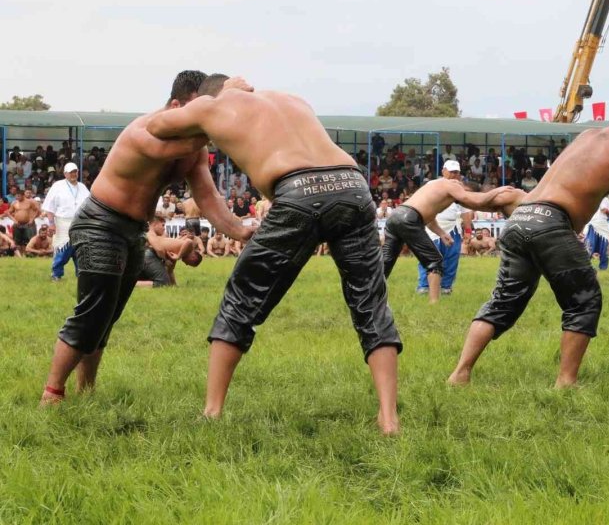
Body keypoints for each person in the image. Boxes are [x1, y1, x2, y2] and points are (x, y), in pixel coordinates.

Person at [145, 74, 402, 434]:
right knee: (371, 302)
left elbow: (156, 124)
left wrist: (212, 102)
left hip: (298, 190)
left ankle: (212, 411)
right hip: (353, 186)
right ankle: (389, 418)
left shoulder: (211, 105)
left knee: (242, 297)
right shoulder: (292, 98)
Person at [40, 70, 251, 406]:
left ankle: (86, 391)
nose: (203, 119)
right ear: (176, 105)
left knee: (108, 315)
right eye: (199, 111)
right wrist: (221, 110)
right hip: (100, 223)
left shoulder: (194, 147)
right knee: (92, 312)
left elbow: (208, 198)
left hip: (134, 230)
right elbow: (176, 146)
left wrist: (241, 230)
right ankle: (51, 394)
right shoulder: (146, 129)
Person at [448, 108, 609, 388]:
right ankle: (566, 382)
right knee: (584, 300)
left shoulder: (588, 135)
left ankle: (460, 373)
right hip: (551, 223)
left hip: (520, 218)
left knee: (502, 302)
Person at [381, 178, 509, 303]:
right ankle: (434, 303)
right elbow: (478, 200)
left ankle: (369, 296)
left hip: (395, 216)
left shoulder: (435, 188)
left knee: (386, 261)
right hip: (409, 218)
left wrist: (442, 234)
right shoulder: (452, 185)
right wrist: (498, 191)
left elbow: (429, 218)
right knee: (434, 261)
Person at [414, 160, 472, 296]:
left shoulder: (459, 188)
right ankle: (424, 286)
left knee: (451, 258)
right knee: (427, 257)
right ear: (443, 171)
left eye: (456, 172)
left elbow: (465, 211)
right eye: (451, 171)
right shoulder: (432, 185)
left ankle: (446, 286)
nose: (453, 174)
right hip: (432, 224)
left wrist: (468, 230)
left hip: (453, 226)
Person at [41, 162, 91, 280]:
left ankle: (81, 275)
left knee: (80, 249)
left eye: (75, 171)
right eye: (71, 172)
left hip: (80, 222)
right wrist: (51, 224)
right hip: (62, 222)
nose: (73, 174)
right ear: (65, 174)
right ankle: (56, 274)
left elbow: (90, 205)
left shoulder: (82, 187)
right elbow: (49, 206)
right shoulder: (57, 186)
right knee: (62, 249)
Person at [137, 217, 203, 287]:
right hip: (150, 254)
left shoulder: (176, 252)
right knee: (162, 283)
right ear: (193, 258)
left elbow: (170, 271)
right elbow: (189, 242)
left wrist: (175, 286)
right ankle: (131, 284)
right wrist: (178, 256)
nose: (186, 264)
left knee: (162, 280)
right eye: (189, 263)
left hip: (150, 255)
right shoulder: (189, 249)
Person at [1, 189, 41, 256]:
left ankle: (27, 254)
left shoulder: (30, 202)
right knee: (17, 241)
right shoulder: (14, 203)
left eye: (19, 196)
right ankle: (20, 256)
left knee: (28, 240)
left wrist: (32, 219)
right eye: (16, 196)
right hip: (17, 224)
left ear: (23, 196)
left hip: (28, 224)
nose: (17, 198)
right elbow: (8, 212)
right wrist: (14, 220)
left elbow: (38, 211)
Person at [583, 196, 609, 271]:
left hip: (602, 224)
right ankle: (585, 266)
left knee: (604, 246)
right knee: (590, 245)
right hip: (593, 224)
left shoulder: (605, 199)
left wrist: (607, 211)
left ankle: (603, 267)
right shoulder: (590, 198)